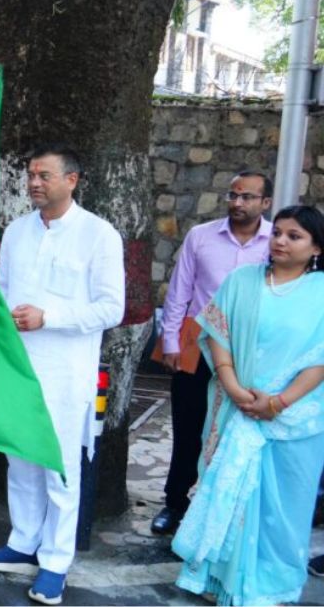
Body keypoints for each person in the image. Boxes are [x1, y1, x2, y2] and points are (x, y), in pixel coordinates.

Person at [0, 144, 124, 606]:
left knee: (59, 467)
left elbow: (111, 308)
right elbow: (0, 292)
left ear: (72, 180)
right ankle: (22, 542)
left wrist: (49, 316)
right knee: (20, 457)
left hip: (65, 372)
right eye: (31, 175)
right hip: (19, 368)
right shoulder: (17, 231)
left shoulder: (99, 235)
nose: (34, 183)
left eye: (45, 175)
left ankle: (55, 561)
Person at [170, 205, 324, 606]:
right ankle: (218, 578)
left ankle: (270, 585)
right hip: (235, 405)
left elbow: (320, 360)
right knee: (225, 490)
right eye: (279, 233)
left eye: (295, 236)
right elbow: (216, 330)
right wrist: (233, 385)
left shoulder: (321, 293)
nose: (281, 242)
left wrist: (278, 402)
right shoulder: (243, 280)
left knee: (283, 506)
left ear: (316, 249)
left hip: (295, 421)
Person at [150, 171, 272, 535]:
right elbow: (179, 290)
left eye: (247, 197)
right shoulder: (200, 237)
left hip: (249, 349)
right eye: (233, 195)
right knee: (188, 426)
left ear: (265, 203)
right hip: (197, 342)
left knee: (235, 429)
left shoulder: (274, 243)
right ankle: (175, 505)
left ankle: (221, 512)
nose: (237, 203)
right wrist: (170, 341)